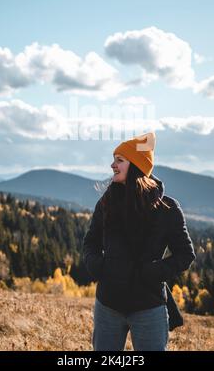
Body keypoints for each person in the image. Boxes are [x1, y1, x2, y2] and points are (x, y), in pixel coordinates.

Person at [82, 131, 196, 351]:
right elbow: (91, 242)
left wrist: (154, 272)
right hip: (108, 305)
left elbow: (185, 254)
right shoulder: (107, 202)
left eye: (119, 160)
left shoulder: (168, 209)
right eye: (114, 159)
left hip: (148, 307)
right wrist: (98, 267)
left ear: (135, 166)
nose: (112, 165)